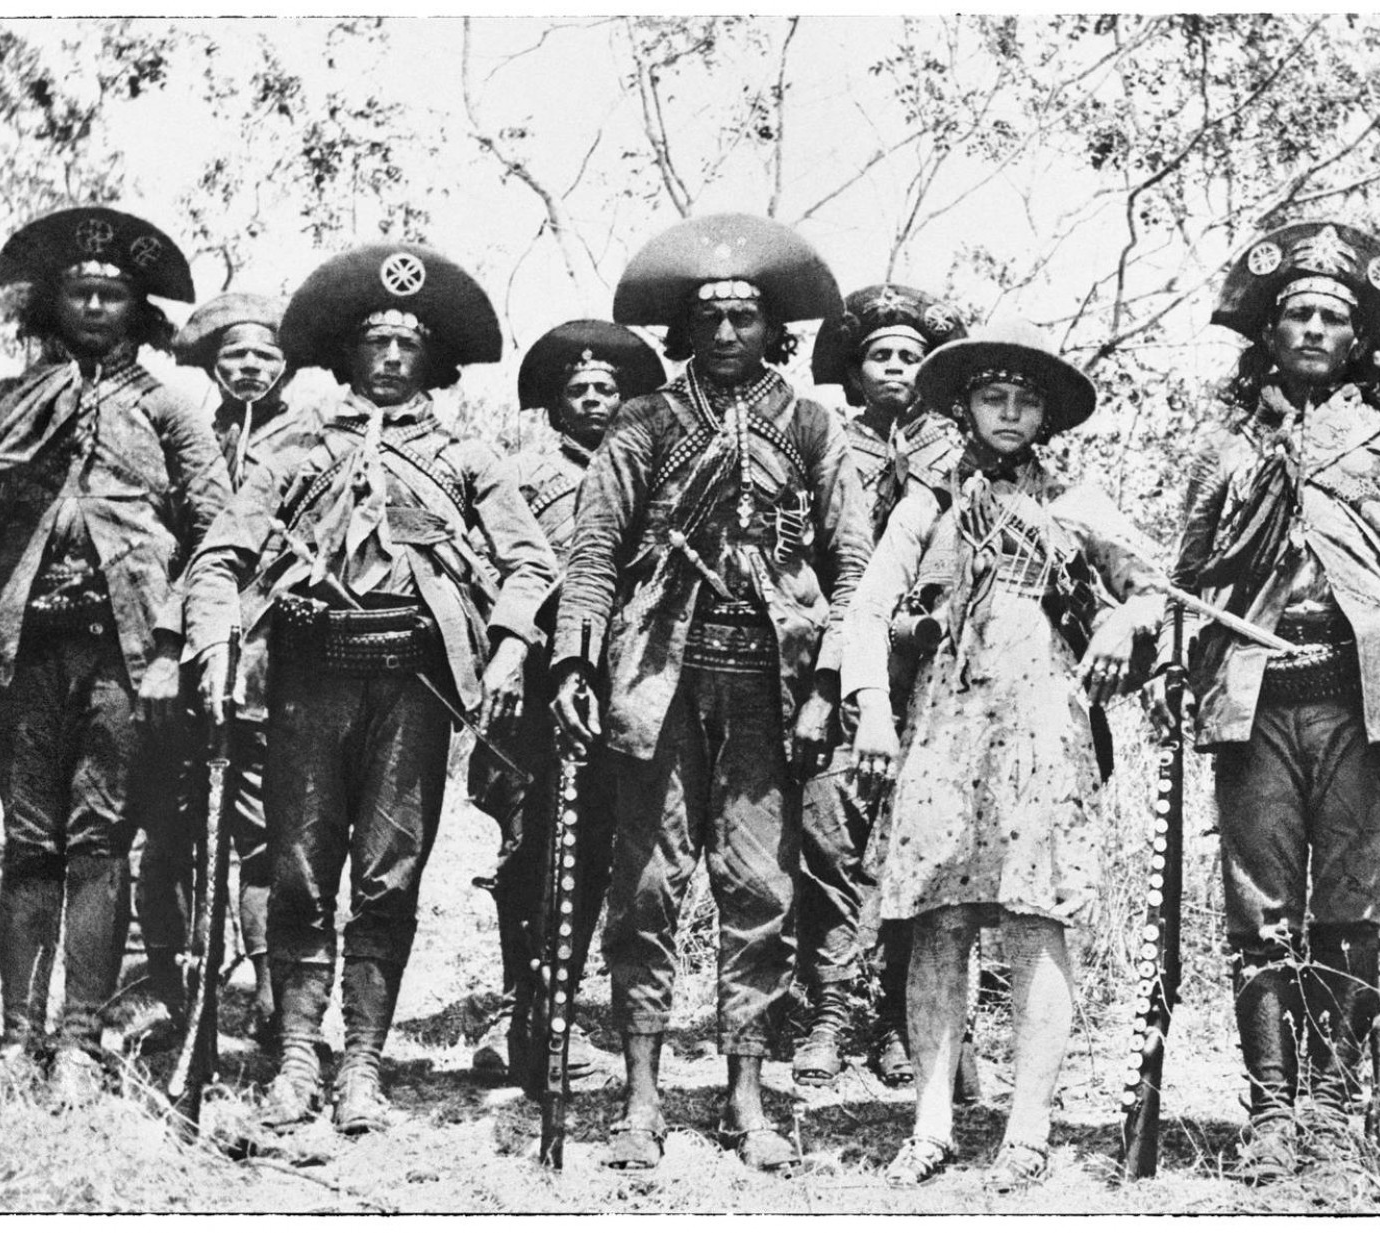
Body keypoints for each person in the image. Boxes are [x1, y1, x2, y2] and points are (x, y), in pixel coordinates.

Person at [185, 244, 557, 1135]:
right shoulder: (294, 450)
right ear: (346, 354)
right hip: (307, 686)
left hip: (411, 691)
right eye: (375, 342)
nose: (391, 357)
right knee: (300, 873)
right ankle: (297, 1057)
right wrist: (214, 642)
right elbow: (219, 556)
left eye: (408, 344)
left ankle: (362, 1063)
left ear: (433, 359)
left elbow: (532, 564)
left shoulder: (466, 457)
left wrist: (508, 648)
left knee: (389, 878)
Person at [551, 213, 871, 1172]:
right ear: (683, 329)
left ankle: (747, 1095)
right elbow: (594, 552)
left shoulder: (813, 427)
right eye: (709, 318)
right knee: (646, 887)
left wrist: (829, 686)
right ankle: (640, 1097)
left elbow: (851, 566)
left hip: (769, 686)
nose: (727, 332)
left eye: (745, 317)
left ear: (775, 329)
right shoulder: (643, 423)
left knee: (760, 888)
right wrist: (574, 664)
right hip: (658, 678)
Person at [1170, 222, 1380, 1182]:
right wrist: (1177, 674)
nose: (1311, 328)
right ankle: (1269, 1110)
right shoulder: (1226, 452)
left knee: (1349, 908)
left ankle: (1335, 1110)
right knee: (1259, 913)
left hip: (1358, 707)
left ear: (1356, 341)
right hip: (1254, 705)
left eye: (1332, 318)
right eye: (1295, 313)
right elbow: (1187, 583)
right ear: (1269, 333)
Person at [848, 319, 1166, 1192]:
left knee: (1036, 920)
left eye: (1027, 401)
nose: (1011, 413)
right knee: (937, 924)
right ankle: (931, 1123)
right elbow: (868, 607)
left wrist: (1121, 620)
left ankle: (1028, 1129)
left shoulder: (1074, 501)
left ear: (1047, 415)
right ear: (966, 406)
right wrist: (870, 707)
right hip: (944, 727)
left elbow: (1157, 592)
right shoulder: (929, 499)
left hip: (1043, 725)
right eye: (994, 397)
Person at [0, 207, 228, 1103]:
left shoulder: (170, 408)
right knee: (27, 842)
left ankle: (80, 1043)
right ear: (52, 304)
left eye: (112, 294)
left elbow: (215, 537)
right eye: (79, 291)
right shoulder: (3, 404)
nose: (94, 305)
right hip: (25, 652)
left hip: (125, 660)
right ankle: (19, 1039)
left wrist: (174, 649)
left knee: (98, 841)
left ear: (138, 310)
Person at [465, 319, 665, 1089]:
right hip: (532, 691)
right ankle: (518, 1008)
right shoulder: (517, 475)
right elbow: (487, 569)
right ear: (554, 404)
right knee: (528, 851)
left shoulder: (651, 474)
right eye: (577, 389)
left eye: (606, 389)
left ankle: (562, 1009)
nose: (591, 400)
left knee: (595, 849)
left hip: (618, 686)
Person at [130, 292, 321, 1052]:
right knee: (170, 829)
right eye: (233, 355)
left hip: (279, 665)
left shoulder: (314, 442)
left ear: (288, 368)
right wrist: (172, 641)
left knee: (271, 833)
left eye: (264, 356)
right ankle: (173, 994)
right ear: (212, 366)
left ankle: (275, 1000)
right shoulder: (187, 438)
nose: (248, 368)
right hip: (185, 655)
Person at [795, 283, 967, 1088]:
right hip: (837, 672)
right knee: (828, 839)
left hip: (934, 678)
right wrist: (826, 677)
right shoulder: (825, 446)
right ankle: (830, 1007)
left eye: (911, 355)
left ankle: (900, 1015)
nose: (896, 367)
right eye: (880, 355)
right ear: (854, 369)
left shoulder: (962, 452)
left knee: (917, 842)